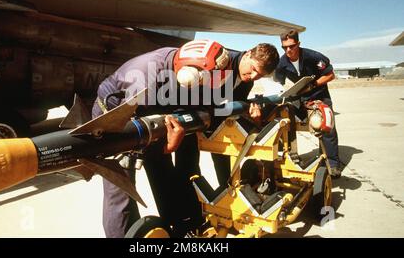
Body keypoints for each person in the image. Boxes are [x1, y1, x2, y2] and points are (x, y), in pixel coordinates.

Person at [93, 40, 279, 237]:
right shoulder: (148, 79)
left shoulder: (195, 65)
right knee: (120, 187)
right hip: (115, 118)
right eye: (253, 70)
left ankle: (178, 227)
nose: (253, 77)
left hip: (154, 110)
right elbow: (142, 122)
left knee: (163, 173)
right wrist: (167, 144)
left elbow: (195, 99)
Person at [274, 30, 341, 178]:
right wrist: (281, 92)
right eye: (284, 47)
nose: (288, 50)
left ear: (298, 44)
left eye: (291, 46)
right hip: (299, 97)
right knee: (285, 120)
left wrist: (313, 85)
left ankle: (332, 163)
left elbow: (330, 75)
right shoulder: (282, 62)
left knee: (326, 125)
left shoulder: (313, 57)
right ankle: (292, 154)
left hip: (319, 95)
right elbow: (278, 81)